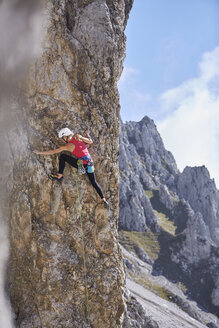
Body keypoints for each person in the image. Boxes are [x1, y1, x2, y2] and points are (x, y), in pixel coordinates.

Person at [33, 128, 109, 208]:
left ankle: (60, 175)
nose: (62, 141)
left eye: (62, 139)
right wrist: (87, 135)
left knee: (63, 156)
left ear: (65, 137)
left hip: (82, 164)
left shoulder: (68, 146)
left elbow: (53, 151)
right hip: (90, 163)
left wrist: (39, 152)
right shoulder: (78, 137)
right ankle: (103, 199)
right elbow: (90, 142)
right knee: (94, 182)